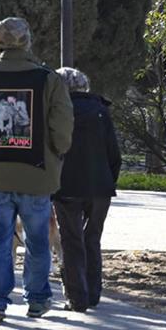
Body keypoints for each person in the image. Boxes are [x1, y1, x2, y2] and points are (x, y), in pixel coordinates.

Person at [0, 17, 73, 323]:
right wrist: (58, 153)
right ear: (27, 40)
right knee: (38, 240)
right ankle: (37, 299)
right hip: (37, 175)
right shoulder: (48, 78)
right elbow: (62, 128)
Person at [52, 67, 121, 312]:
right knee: (93, 239)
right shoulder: (101, 111)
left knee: (71, 241)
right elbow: (114, 153)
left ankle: (77, 299)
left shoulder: (59, 112)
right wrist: (109, 181)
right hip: (100, 187)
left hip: (66, 185)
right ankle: (93, 293)